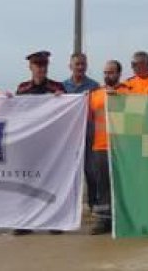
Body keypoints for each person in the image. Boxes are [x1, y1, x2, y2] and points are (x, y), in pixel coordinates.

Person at [14, 51, 64, 235]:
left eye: (44, 65)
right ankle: (26, 222)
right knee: (27, 182)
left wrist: (63, 100)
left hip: (51, 144)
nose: (41, 68)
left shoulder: (57, 87)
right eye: (37, 65)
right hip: (28, 144)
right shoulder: (22, 88)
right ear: (30, 67)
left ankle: (54, 221)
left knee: (52, 182)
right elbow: (16, 112)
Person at [88, 60, 131, 235]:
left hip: (123, 147)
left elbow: (136, 115)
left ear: (119, 74)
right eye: (105, 72)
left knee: (123, 184)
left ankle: (124, 219)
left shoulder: (128, 92)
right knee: (102, 184)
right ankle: (103, 220)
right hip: (101, 146)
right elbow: (90, 118)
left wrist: (119, 99)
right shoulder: (95, 94)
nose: (108, 76)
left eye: (112, 72)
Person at [62, 52, 100, 220]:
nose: (80, 67)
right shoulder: (62, 87)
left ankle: (93, 205)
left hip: (90, 134)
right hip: (69, 137)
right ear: (70, 66)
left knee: (92, 173)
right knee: (68, 173)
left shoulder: (94, 86)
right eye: (77, 64)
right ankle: (68, 208)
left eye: (83, 64)